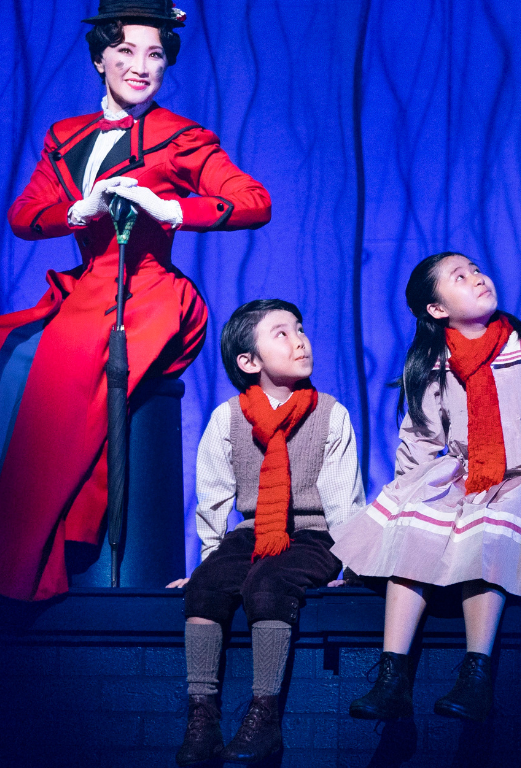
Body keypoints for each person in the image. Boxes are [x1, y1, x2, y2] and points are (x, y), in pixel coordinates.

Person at [0, 0, 272, 602]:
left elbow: (254, 201)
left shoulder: (182, 137)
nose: (140, 66)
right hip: (86, 287)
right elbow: (23, 215)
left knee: (59, 366)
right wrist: (78, 210)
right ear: (99, 59)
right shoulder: (66, 135)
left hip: (152, 294)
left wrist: (170, 207)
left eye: (154, 55)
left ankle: (23, 548)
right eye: (126, 51)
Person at [330, 253, 521, 721]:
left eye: (475, 270)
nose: (477, 278)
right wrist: (394, 518)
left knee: (488, 533)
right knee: (412, 529)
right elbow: (421, 439)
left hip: (519, 478)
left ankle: (476, 675)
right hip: (460, 474)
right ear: (437, 309)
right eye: (460, 277)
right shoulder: (435, 360)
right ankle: (392, 678)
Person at [168, 299, 365, 765]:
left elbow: (343, 500)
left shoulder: (330, 414)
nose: (300, 341)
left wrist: (354, 566)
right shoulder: (228, 418)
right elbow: (213, 497)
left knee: (269, 580)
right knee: (206, 586)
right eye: (282, 333)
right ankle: (202, 716)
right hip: (253, 532)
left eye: (301, 329)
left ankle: (264, 714)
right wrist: (209, 562)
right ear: (248, 361)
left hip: (313, 535)